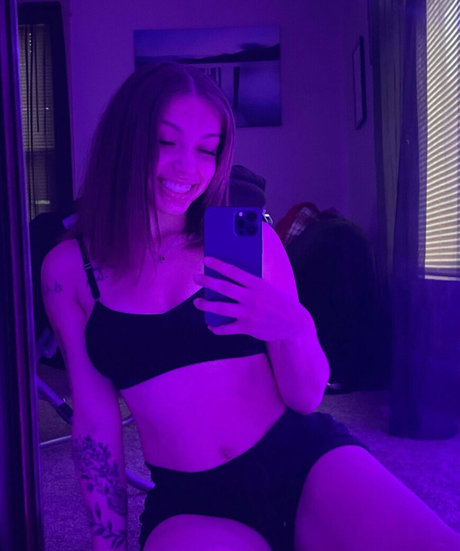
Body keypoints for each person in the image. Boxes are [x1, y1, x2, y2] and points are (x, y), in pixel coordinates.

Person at [41, 62, 460, 551]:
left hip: (306, 461)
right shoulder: (70, 272)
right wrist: (106, 542)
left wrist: (295, 328)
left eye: (207, 149)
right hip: (192, 501)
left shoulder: (250, 241)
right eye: (165, 141)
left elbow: (306, 398)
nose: (188, 168)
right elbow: (95, 421)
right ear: (126, 140)